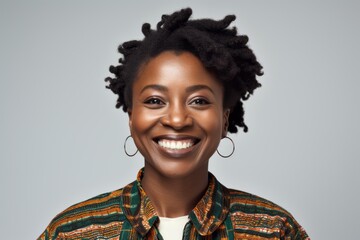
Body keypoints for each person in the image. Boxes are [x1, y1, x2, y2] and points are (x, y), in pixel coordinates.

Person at [38, 8, 310, 240]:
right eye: (155, 101)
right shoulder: (71, 232)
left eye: (199, 101)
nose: (177, 120)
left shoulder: (274, 230)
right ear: (131, 117)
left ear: (224, 119)